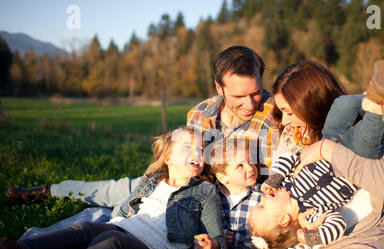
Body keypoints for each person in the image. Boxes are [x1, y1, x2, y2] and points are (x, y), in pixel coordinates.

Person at [5, 46, 279, 208]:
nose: (249, 102)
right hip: (188, 189)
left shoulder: (276, 114)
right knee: (124, 189)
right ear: (219, 87)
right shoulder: (199, 114)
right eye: (238, 96)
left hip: (238, 202)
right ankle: (52, 191)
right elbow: (187, 161)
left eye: (255, 92)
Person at [242, 60, 384, 249]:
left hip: (360, 246)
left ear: (312, 104)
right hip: (309, 248)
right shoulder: (293, 135)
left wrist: (328, 150)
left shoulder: (375, 121)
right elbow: (285, 194)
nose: (285, 121)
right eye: (282, 112)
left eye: (289, 111)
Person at [0, 126, 226, 249]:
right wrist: (52, 191)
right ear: (168, 158)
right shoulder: (151, 181)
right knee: (89, 228)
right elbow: (112, 196)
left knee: (111, 240)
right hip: (120, 233)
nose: (197, 153)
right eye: (188, 147)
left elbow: (217, 240)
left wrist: (211, 246)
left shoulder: (205, 192)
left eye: (201, 149)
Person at [169, 137, 262, 249]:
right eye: (240, 165)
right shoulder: (211, 195)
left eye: (250, 161)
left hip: (244, 248)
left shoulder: (261, 195)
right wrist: (212, 238)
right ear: (223, 178)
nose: (251, 167)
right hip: (215, 245)